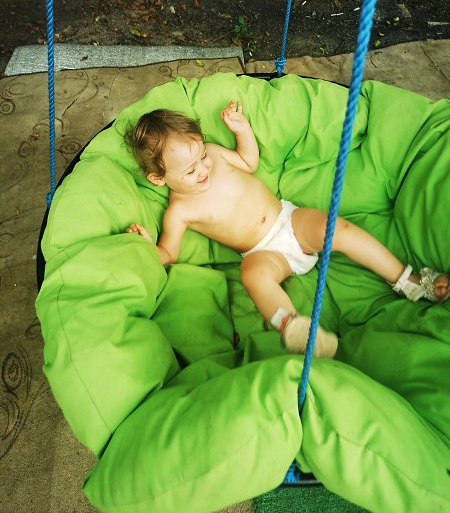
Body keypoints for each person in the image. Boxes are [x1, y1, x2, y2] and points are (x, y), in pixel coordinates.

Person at [126, 100, 449, 357]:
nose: (203, 169)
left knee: (338, 228)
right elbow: (168, 253)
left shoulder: (215, 155)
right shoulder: (179, 212)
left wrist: (242, 129)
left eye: (201, 156)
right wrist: (147, 246)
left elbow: (248, 162)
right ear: (158, 178)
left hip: (289, 221)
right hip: (263, 252)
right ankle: (295, 328)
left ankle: (407, 280)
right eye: (190, 171)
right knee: (252, 275)